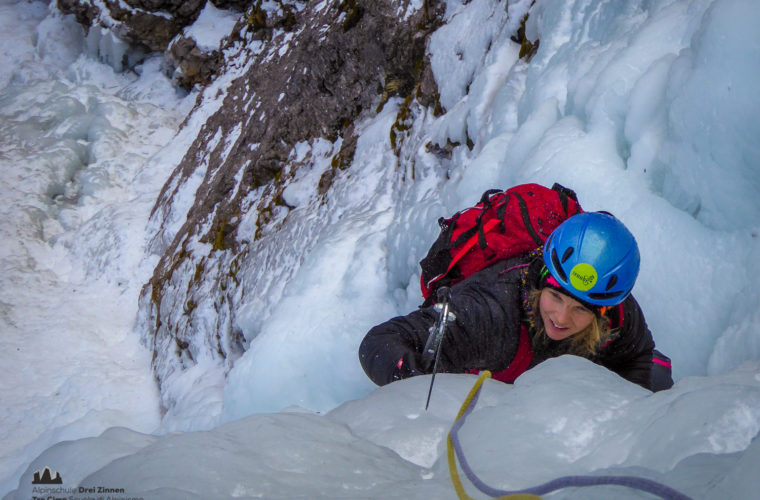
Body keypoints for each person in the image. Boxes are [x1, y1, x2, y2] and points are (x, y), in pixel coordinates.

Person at [359, 211, 673, 391]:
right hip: (493, 395)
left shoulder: (615, 313)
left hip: (552, 401)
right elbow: (381, 340)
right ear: (541, 281)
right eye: (556, 297)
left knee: (658, 376)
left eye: (580, 310)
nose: (562, 318)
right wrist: (416, 381)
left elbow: (639, 356)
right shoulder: (488, 313)